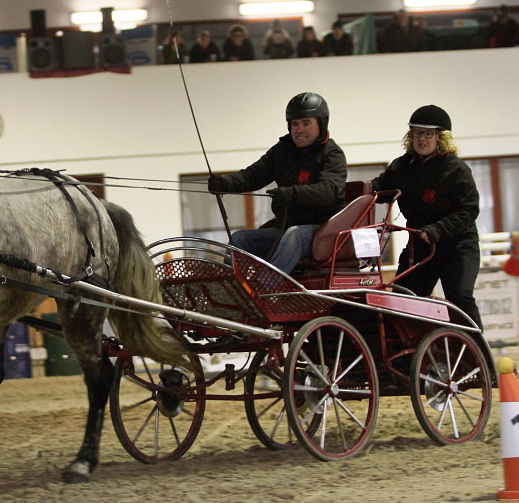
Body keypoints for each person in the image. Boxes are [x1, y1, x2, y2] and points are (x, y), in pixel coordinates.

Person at [207, 92, 347, 274]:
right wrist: (225, 183)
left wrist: (292, 193)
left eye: (306, 123)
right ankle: (228, 290)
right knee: (240, 239)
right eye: (295, 124)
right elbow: (252, 176)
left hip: (323, 231)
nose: (299, 129)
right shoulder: (282, 151)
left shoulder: (332, 154)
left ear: (321, 124)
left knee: (294, 234)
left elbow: (328, 191)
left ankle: (267, 291)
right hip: (286, 228)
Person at [370, 105, 483, 329]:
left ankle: (480, 352)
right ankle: (410, 354)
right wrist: (350, 192)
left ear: (441, 137)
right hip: (420, 247)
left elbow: (469, 210)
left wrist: (437, 229)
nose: (421, 139)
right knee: (402, 298)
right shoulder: (401, 167)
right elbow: (378, 189)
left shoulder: (456, 170)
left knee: (459, 298)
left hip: (458, 246)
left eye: (428, 134)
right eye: (417, 133)